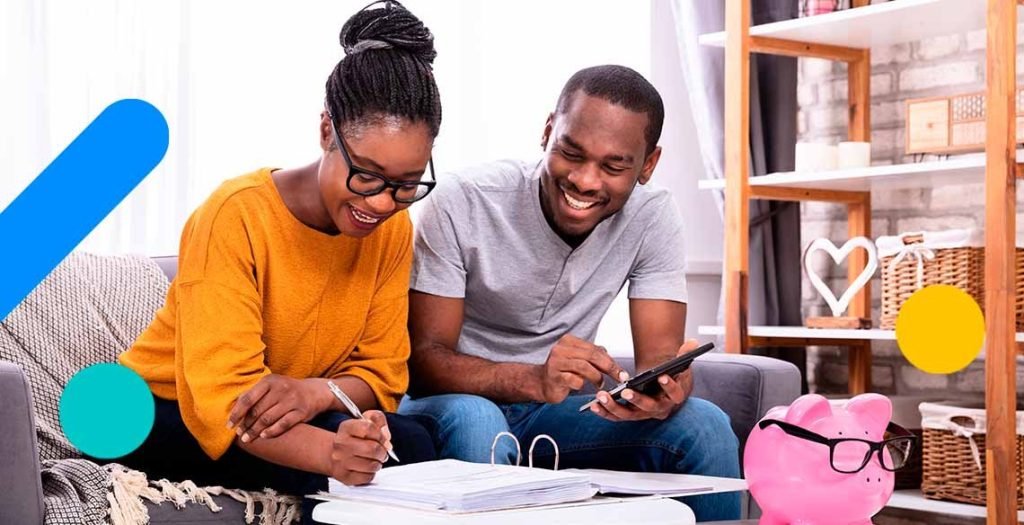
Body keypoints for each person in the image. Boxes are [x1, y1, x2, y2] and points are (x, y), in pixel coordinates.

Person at [116, 1, 441, 521]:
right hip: (159, 408)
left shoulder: (393, 230)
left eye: (406, 185)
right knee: (351, 456)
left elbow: (382, 376)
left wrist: (315, 394)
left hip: (283, 406)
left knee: (414, 440)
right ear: (326, 132)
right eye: (367, 176)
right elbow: (224, 400)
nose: (381, 203)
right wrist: (332, 452)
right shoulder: (234, 215)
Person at [398, 65, 741, 521]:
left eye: (614, 166)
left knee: (705, 425)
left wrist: (666, 389)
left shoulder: (653, 218)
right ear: (547, 132)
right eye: (571, 153)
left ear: (648, 165)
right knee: (478, 421)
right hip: (453, 404)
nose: (584, 180)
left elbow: (658, 360)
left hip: (554, 415)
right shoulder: (464, 199)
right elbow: (423, 362)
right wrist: (533, 378)